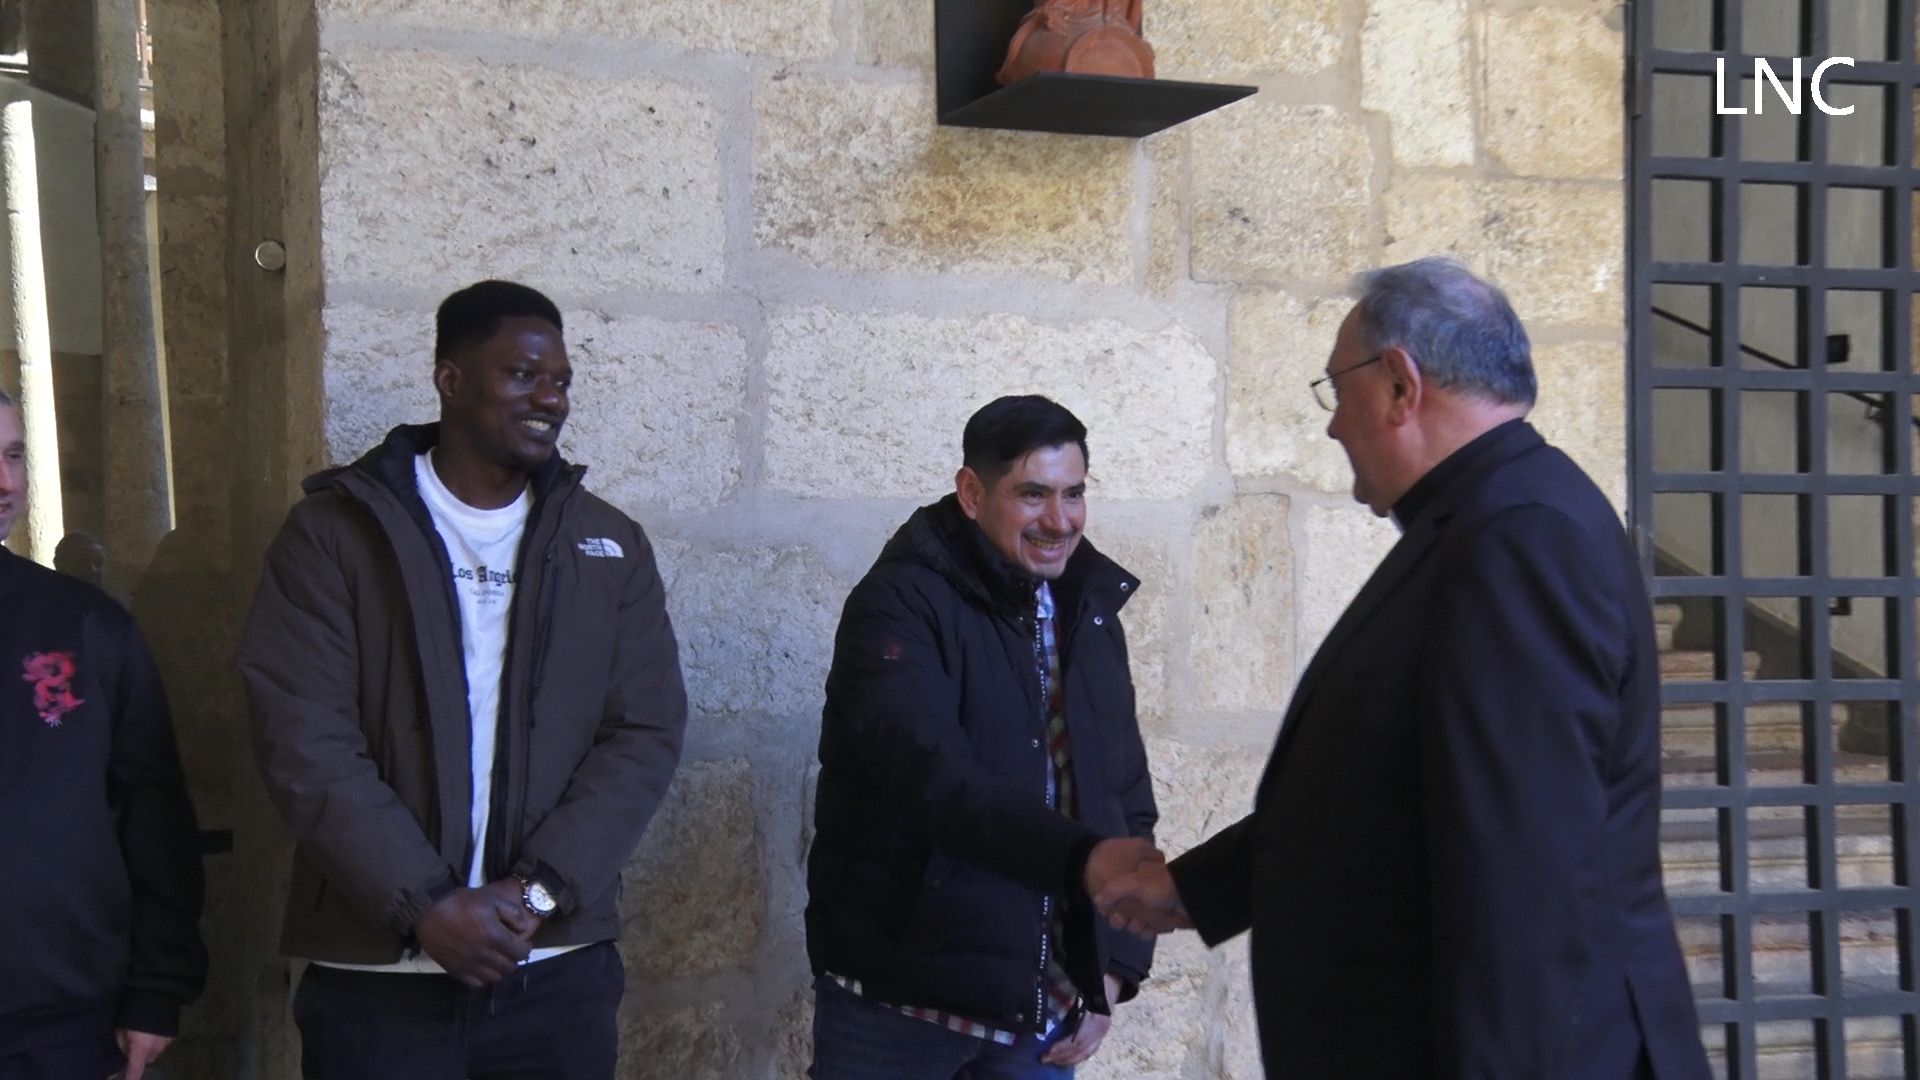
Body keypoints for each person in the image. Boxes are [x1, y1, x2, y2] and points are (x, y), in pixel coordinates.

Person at [1096, 258, 1712, 1078]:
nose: (1332, 426)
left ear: (1397, 385)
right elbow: (1380, 792)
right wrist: (1201, 888)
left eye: (1335, 390)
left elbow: (1518, 882)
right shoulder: (1481, 521)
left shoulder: (1517, 540)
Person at [239, 281, 688, 1079]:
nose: (548, 398)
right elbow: (304, 737)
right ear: (449, 378)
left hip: (554, 973)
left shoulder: (609, 544)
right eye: (521, 375)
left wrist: (536, 896)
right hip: (377, 980)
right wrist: (426, 906)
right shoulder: (334, 533)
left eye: (560, 381)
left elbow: (644, 734)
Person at [806, 394, 1163, 1078]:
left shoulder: (1089, 612)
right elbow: (931, 780)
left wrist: (1112, 964)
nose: (1059, 521)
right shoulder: (898, 604)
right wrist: (1083, 859)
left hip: (1041, 1021)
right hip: (896, 1013)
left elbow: (1125, 793)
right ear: (972, 492)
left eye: (1073, 493)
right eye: (1032, 495)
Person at [0, 388, 206, 1080]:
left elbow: (155, 815)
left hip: (60, 1024)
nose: (4, 481)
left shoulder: (84, 627)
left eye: (14, 455)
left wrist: (156, 990)